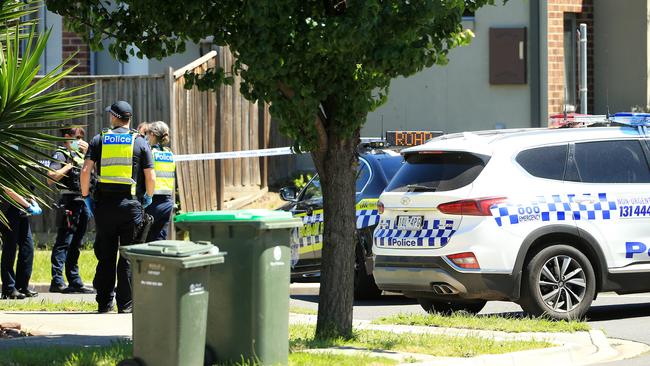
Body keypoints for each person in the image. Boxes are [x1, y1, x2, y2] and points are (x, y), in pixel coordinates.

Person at [81, 101, 155, 313]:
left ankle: (104, 303)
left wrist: (86, 196)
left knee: (105, 255)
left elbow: (86, 171)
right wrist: (148, 197)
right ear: (129, 118)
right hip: (131, 206)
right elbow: (150, 175)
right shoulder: (140, 142)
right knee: (127, 257)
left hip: (104, 206)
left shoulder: (99, 139)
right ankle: (126, 305)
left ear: (114, 117)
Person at [47, 128, 95, 294]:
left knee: (76, 244)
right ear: (67, 138)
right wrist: (69, 166)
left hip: (83, 202)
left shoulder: (83, 155)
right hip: (69, 202)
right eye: (76, 137)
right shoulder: (60, 154)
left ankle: (74, 281)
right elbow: (50, 177)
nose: (79, 140)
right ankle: (57, 281)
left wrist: (88, 153)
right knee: (64, 241)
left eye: (81, 137)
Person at [0, 187, 41, 299]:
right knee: (10, 249)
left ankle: (22, 286)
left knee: (28, 248)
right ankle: (8, 289)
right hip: (8, 210)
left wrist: (33, 202)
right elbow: (7, 189)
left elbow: (26, 188)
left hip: (22, 210)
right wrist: (28, 206)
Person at [145, 121, 175, 241]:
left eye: (147, 134)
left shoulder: (150, 153)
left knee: (143, 239)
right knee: (159, 239)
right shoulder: (169, 154)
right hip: (167, 202)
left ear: (152, 134)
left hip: (151, 201)